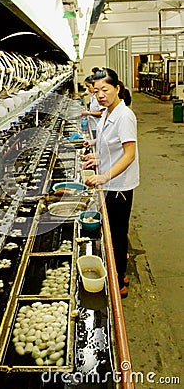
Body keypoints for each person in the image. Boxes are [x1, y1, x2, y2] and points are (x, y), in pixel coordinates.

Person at [83, 68, 139, 298]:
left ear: (117, 88)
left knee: (117, 234)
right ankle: (120, 273)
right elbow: (111, 145)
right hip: (111, 183)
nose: (100, 95)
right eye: (96, 91)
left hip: (119, 186)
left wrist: (105, 176)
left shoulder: (124, 116)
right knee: (114, 232)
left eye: (105, 89)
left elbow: (129, 154)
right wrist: (97, 156)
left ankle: (119, 283)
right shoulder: (108, 112)